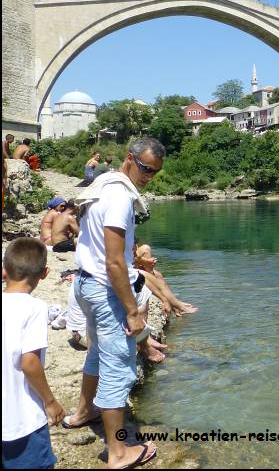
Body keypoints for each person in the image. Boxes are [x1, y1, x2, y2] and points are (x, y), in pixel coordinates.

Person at [60, 137, 164, 469]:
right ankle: (118, 452)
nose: (149, 176)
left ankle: (83, 412)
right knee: (119, 368)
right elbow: (115, 262)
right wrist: (133, 311)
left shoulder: (102, 183)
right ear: (130, 159)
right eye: (146, 168)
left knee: (95, 354)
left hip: (85, 284)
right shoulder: (119, 196)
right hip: (105, 290)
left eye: (155, 172)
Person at [2, 237, 65, 469]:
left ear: (4, 271)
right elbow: (29, 362)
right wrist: (50, 401)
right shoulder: (35, 308)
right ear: (45, 273)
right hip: (22, 419)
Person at [135, 244, 197, 317]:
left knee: (158, 274)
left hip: (132, 265)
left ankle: (175, 306)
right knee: (159, 282)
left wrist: (146, 260)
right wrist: (147, 260)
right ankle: (180, 306)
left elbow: (133, 255)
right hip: (128, 270)